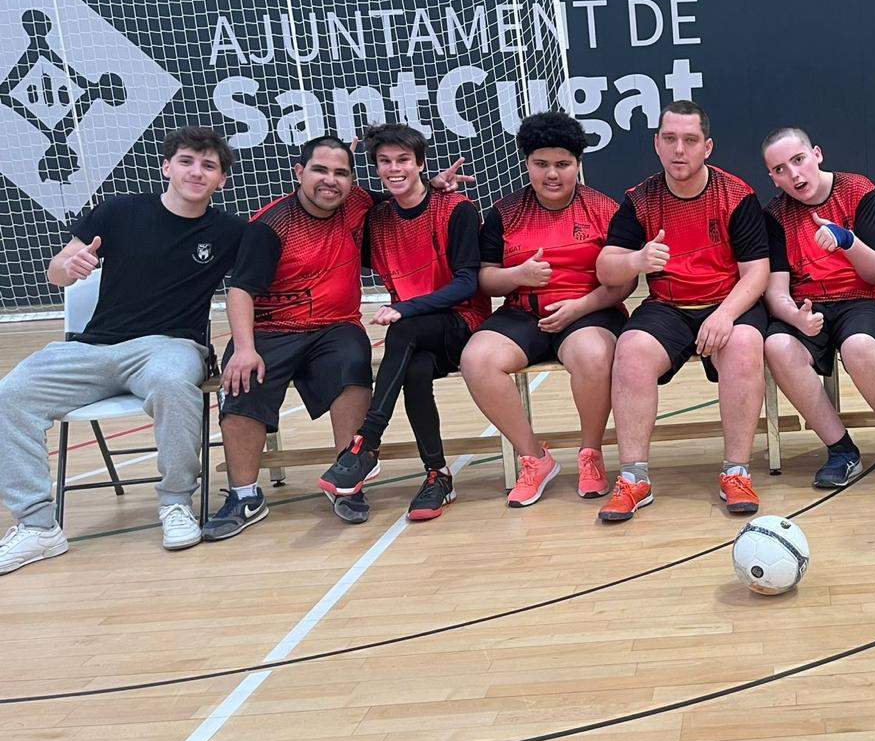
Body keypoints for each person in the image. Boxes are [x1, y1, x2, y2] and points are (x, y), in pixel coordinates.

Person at [0, 128, 244, 573]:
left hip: (170, 346)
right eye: (187, 161)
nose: (196, 171)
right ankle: (38, 527)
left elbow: (254, 285)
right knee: (10, 394)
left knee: (174, 384)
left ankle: (175, 504)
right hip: (94, 348)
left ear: (222, 180)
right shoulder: (118, 212)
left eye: (209, 166)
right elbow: (58, 271)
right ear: (166, 167)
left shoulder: (229, 231)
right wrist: (68, 266)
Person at [594, 101, 769, 522]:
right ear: (656, 143)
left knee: (745, 343)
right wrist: (636, 261)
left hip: (727, 300)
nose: (679, 150)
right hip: (669, 305)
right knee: (631, 349)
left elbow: (757, 273)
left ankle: (737, 471)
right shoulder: (639, 199)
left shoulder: (736, 195)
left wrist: (725, 314)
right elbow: (605, 266)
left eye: (689, 140)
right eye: (669, 139)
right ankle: (634, 478)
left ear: (706, 147)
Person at [203, 136, 377, 538]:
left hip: (335, 326)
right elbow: (241, 290)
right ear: (299, 173)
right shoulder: (270, 226)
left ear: (352, 180)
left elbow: (403, 198)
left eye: (340, 173)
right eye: (320, 170)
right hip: (271, 328)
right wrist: (244, 349)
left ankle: (347, 482)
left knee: (352, 364)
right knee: (243, 380)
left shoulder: (360, 204)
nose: (330, 180)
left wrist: (434, 184)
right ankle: (245, 496)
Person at [317, 125, 490, 521]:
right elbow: (341, 201)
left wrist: (407, 309)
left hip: (463, 323)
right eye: (385, 162)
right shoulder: (376, 218)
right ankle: (437, 474)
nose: (394, 168)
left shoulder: (457, 209)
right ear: (375, 168)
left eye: (403, 161)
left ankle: (365, 442)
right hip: (413, 340)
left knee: (403, 330)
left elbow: (467, 284)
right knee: (412, 370)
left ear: (420, 163)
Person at [461, 110, 632, 505]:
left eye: (562, 164)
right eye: (541, 164)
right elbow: (485, 278)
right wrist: (517, 275)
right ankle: (534, 458)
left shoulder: (605, 210)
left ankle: (590, 453)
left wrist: (579, 307)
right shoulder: (505, 213)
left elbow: (624, 283)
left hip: (589, 309)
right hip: (524, 311)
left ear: (578, 164)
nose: (552, 174)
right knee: (477, 359)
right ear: (527, 164)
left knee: (593, 354)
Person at [761, 126, 875, 488]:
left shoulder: (857, 190)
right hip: (811, 305)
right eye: (779, 169)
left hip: (866, 299)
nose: (793, 174)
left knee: (859, 346)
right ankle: (841, 449)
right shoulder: (774, 215)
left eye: (798, 160)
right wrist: (795, 317)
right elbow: (776, 291)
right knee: (776, 345)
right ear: (773, 178)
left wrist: (847, 241)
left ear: (817, 154)